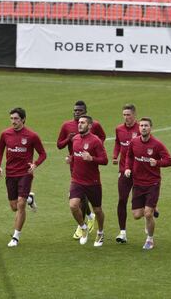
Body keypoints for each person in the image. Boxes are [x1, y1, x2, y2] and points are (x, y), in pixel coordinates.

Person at [0, 107, 46, 247]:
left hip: (25, 174)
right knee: (14, 207)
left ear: (23, 119)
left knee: (20, 204)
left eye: (16, 118)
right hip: (10, 174)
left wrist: (35, 164)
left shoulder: (32, 136)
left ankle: (16, 237)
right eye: (11, 118)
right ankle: (30, 198)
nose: (13, 121)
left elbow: (43, 154)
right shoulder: (5, 134)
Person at [57, 100, 106, 240]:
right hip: (75, 168)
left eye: (80, 111)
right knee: (76, 201)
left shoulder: (94, 126)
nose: (77, 113)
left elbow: (101, 137)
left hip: (90, 171)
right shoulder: (67, 126)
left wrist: (94, 150)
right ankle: (85, 222)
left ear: (85, 112)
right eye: (75, 110)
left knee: (89, 201)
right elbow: (59, 145)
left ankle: (91, 221)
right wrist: (68, 140)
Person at [124, 117, 171, 250]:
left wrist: (157, 162)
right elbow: (129, 156)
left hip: (153, 183)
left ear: (151, 128)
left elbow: (169, 160)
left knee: (147, 214)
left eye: (146, 125)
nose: (143, 128)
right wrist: (127, 168)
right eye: (142, 126)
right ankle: (152, 208)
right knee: (136, 215)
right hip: (138, 183)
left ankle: (150, 239)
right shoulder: (134, 142)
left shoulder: (157, 144)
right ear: (139, 128)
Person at [68, 115, 108, 246]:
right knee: (73, 205)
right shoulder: (75, 139)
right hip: (77, 180)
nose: (79, 124)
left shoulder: (96, 141)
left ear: (90, 126)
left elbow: (104, 160)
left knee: (97, 210)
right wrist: (71, 160)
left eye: (83, 123)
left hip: (93, 182)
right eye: (79, 122)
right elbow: (75, 156)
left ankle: (100, 232)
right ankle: (83, 227)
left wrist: (92, 159)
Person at [112, 104, 139, 243]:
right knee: (122, 199)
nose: (126, 117)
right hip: (123, 170)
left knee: (141, 203)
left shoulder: (141, 128)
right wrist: (115, 155)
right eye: (124, 114)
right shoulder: (119, 129)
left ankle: (149, 225)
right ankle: (122, 232)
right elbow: (117, 143)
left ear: (134, 115)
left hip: (140, 172)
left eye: (128, 115)